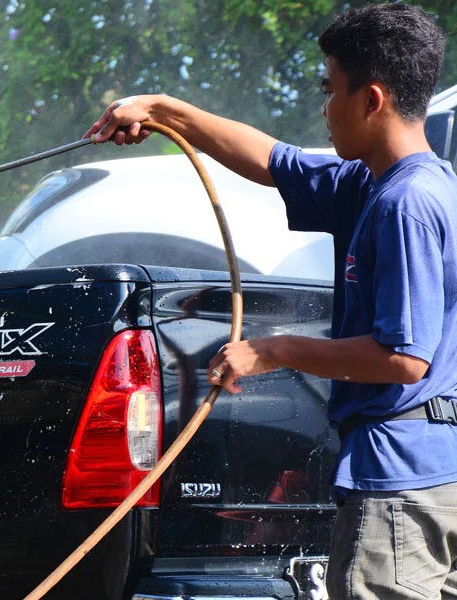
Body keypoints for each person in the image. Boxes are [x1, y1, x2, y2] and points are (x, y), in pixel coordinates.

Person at [84, 3, 457, 599]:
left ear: (372, 99)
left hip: (401, 483)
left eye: (330, 89)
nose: (322, 107)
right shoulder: (384, 184)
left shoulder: (404, 203)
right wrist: (163, 110)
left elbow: (403, 359)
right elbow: (272, 160)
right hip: (436, 472)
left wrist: (274, 349)